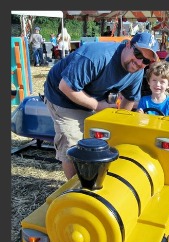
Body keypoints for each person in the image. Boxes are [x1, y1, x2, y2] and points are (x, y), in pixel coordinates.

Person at [43, 32, 158, 180]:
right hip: (62, 95)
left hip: (93, 96)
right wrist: (97, 105)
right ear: (128, 45)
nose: (140, 62)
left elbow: (129, 99)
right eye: (138, 54)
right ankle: (75, 187)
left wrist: (117, 125)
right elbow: (65, 86)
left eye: (146, 61)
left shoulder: (137, 70)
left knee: (102, 139)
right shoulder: (97, 56)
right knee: (73, 143)